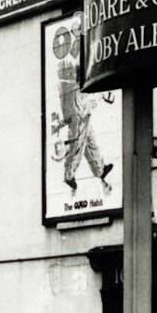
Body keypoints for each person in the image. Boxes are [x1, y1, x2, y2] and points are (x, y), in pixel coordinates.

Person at [51, 23, 113, 195]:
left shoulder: (69, 53)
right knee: (79, 139)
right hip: (77, 100)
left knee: (88, 136)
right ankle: (69, 174)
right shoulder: (79, 53)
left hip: (73, 98)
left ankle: (99, 168)